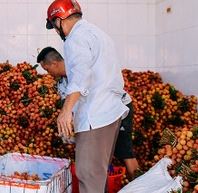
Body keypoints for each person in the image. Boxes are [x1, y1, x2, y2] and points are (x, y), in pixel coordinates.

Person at [45, 0, 128, 193]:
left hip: (96, 115)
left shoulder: (75, 38)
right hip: (109, 113)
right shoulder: (97, 33)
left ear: (60, 20)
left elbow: (81, 76)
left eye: (54, 26)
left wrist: (66, 111)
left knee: (89, 175)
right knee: (96, 177)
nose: (56, 31)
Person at [36, 46, 140, 180]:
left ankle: (139, 189)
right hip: (97, 115)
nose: (48, 73)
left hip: (117, 108)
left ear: (54, 63)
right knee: (101, 154)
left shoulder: (79, 69)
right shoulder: (62, 84)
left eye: (47, 69)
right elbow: (71, 109)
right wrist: (69, 131)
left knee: (125, 151)